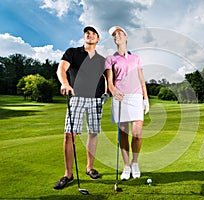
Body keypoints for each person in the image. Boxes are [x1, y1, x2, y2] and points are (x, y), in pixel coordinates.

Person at [54, 26, 107, 190]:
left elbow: (107, 77)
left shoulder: (102, 60)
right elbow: (61, 68)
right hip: (76, 97)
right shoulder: (73, 53)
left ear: (98, 39)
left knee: (92, 133)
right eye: (87, 33)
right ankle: (68, 175)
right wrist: (65, 83)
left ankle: (90, 168)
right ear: (84, 37)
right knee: (69, 134)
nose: (89, 35)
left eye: (93, 33)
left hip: (96, 100)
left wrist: (106, 92)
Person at [105, 26, 149, 180]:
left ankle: (135, 162)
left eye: (119, 33)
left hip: (136, 97)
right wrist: (113, 92)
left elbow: (142, 80)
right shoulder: (110, 59)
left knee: (137, 134)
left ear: (126, 37)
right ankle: (126, 166)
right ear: (114, 40)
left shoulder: (136, 58)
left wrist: (146, 99)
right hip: (120, 97)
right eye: (114, 35)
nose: (117, 36)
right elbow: (110, 81)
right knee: (123, 133)